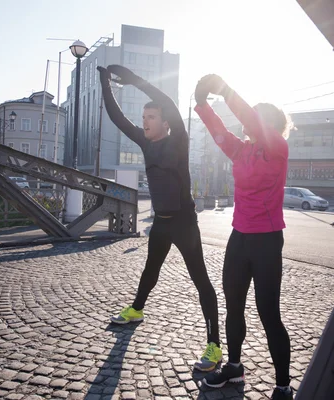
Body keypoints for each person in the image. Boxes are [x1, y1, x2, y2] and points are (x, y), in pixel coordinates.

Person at [98, 64, 222, 372]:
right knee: (150, 270)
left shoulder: (178, 139)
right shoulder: (144, 142)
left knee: (201, 281)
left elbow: (167, 100)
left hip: (184, 224)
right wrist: (105, 82)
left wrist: (136, 80)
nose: (144, 122)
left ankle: (215, 345)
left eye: (151, 117)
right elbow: (116, 117)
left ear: (165, 122)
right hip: (162, 224)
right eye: (143, 118)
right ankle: (137, 310)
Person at [193, 74, 292, 399]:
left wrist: (225, 90)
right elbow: (219, 133)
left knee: (269, 314)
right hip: (239, 239)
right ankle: (234, 367)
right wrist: (203, 104)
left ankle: (282, 386)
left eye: (255, 117)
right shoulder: (242, 150)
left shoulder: (278, 146)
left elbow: (247, 116)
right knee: (234, 307)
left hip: (267, 242)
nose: (249, 121)